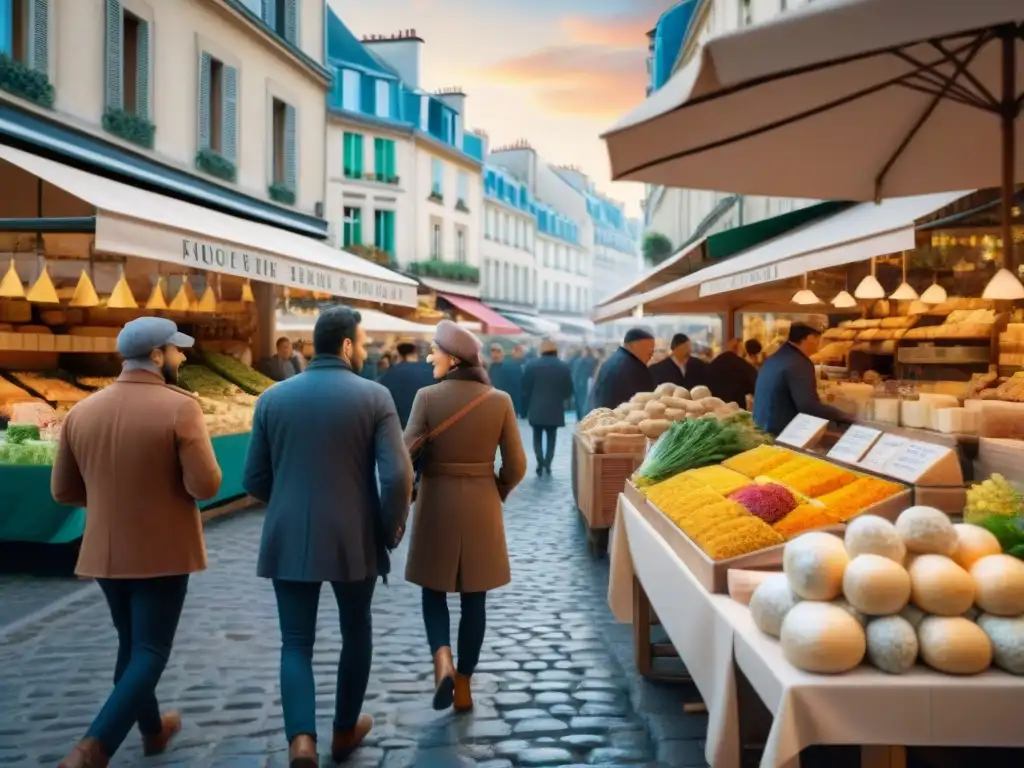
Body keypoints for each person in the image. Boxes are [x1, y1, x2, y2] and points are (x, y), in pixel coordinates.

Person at [243, 306, 413, 767]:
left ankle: (302, 741)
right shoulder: (374, 397)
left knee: (295, 641)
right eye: (360, 343)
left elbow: (254, 478)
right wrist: (389, 528)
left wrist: (290, 501)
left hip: (288, 533)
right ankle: (343, 731)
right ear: (344, 346)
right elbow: (398, 476)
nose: (363, 350)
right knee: (356, 631)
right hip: (353, 534)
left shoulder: (272, 399)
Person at [52, 317, 222, 768]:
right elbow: (206, 485)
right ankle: (94, 746)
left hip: (104, 550)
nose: (183, 357)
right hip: (163, 549)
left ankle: (152, 731)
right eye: (177, 350)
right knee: (149, 650)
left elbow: (63, 492)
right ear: (156, 355)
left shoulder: (82, 411)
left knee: (131, 644)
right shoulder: (181, 407)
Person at [403, 320, 527, 714]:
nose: (429, 357)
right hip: (481, 503)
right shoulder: (499, 400)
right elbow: (517, 465)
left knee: (432, 589)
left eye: (435, 351)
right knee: (476, 599)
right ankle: (465, 684)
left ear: (453, 359)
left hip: (436, 501)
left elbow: (404, 459)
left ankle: (442, 660)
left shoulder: (426, 397)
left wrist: (407, 493)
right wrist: (498, 489)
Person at [753, 322, 850, 437]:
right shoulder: (799, 363)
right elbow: (808, 406)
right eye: (818, 339)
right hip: (780, 434)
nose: (819, 344)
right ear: (809, 338)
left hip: (761, 428)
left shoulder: (775, 358)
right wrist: (843, 416)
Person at [522, 338, 574, 476]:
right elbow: (568, 390)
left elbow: (525, 388)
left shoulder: (532, 365)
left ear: (542, 351)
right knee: (552, 437)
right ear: (555, 351)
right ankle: (548, 463)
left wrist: (525, 407)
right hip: (555, 408)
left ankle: (540, 462)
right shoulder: (563, 366)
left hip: (536, 407)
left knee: (537, 436)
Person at [589, 328, 656, 410]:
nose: (652, 354)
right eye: (649, 350)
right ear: (633, 346)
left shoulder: (613, 360)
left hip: (604, 415)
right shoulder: (634, 368)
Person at [379, 341, 434, 429]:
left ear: (400, 355)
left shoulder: (389, 374)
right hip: (427, 426)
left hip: (400, 427)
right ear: (415, 353)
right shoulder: (431, 370)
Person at [707, 338, 759, 409]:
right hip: (737, 408)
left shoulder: (714, 363)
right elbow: (755, 386)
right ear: (739, 349)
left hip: (715, 406)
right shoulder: (742, 365)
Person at [488, 343, 524, 418]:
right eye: (493, 352)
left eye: (498, 351)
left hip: (508, 405)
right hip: (493, 405)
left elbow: (518, 388)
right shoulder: (490, 367)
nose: (495, 354)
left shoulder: (512, 367)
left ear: (503, 353)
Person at [570, 347, 598, 421]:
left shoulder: (578, 361)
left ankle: (580, 419)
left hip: (579, 385)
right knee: (584, 403)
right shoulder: (592, 361)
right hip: (585, 384)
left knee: (580, 404)